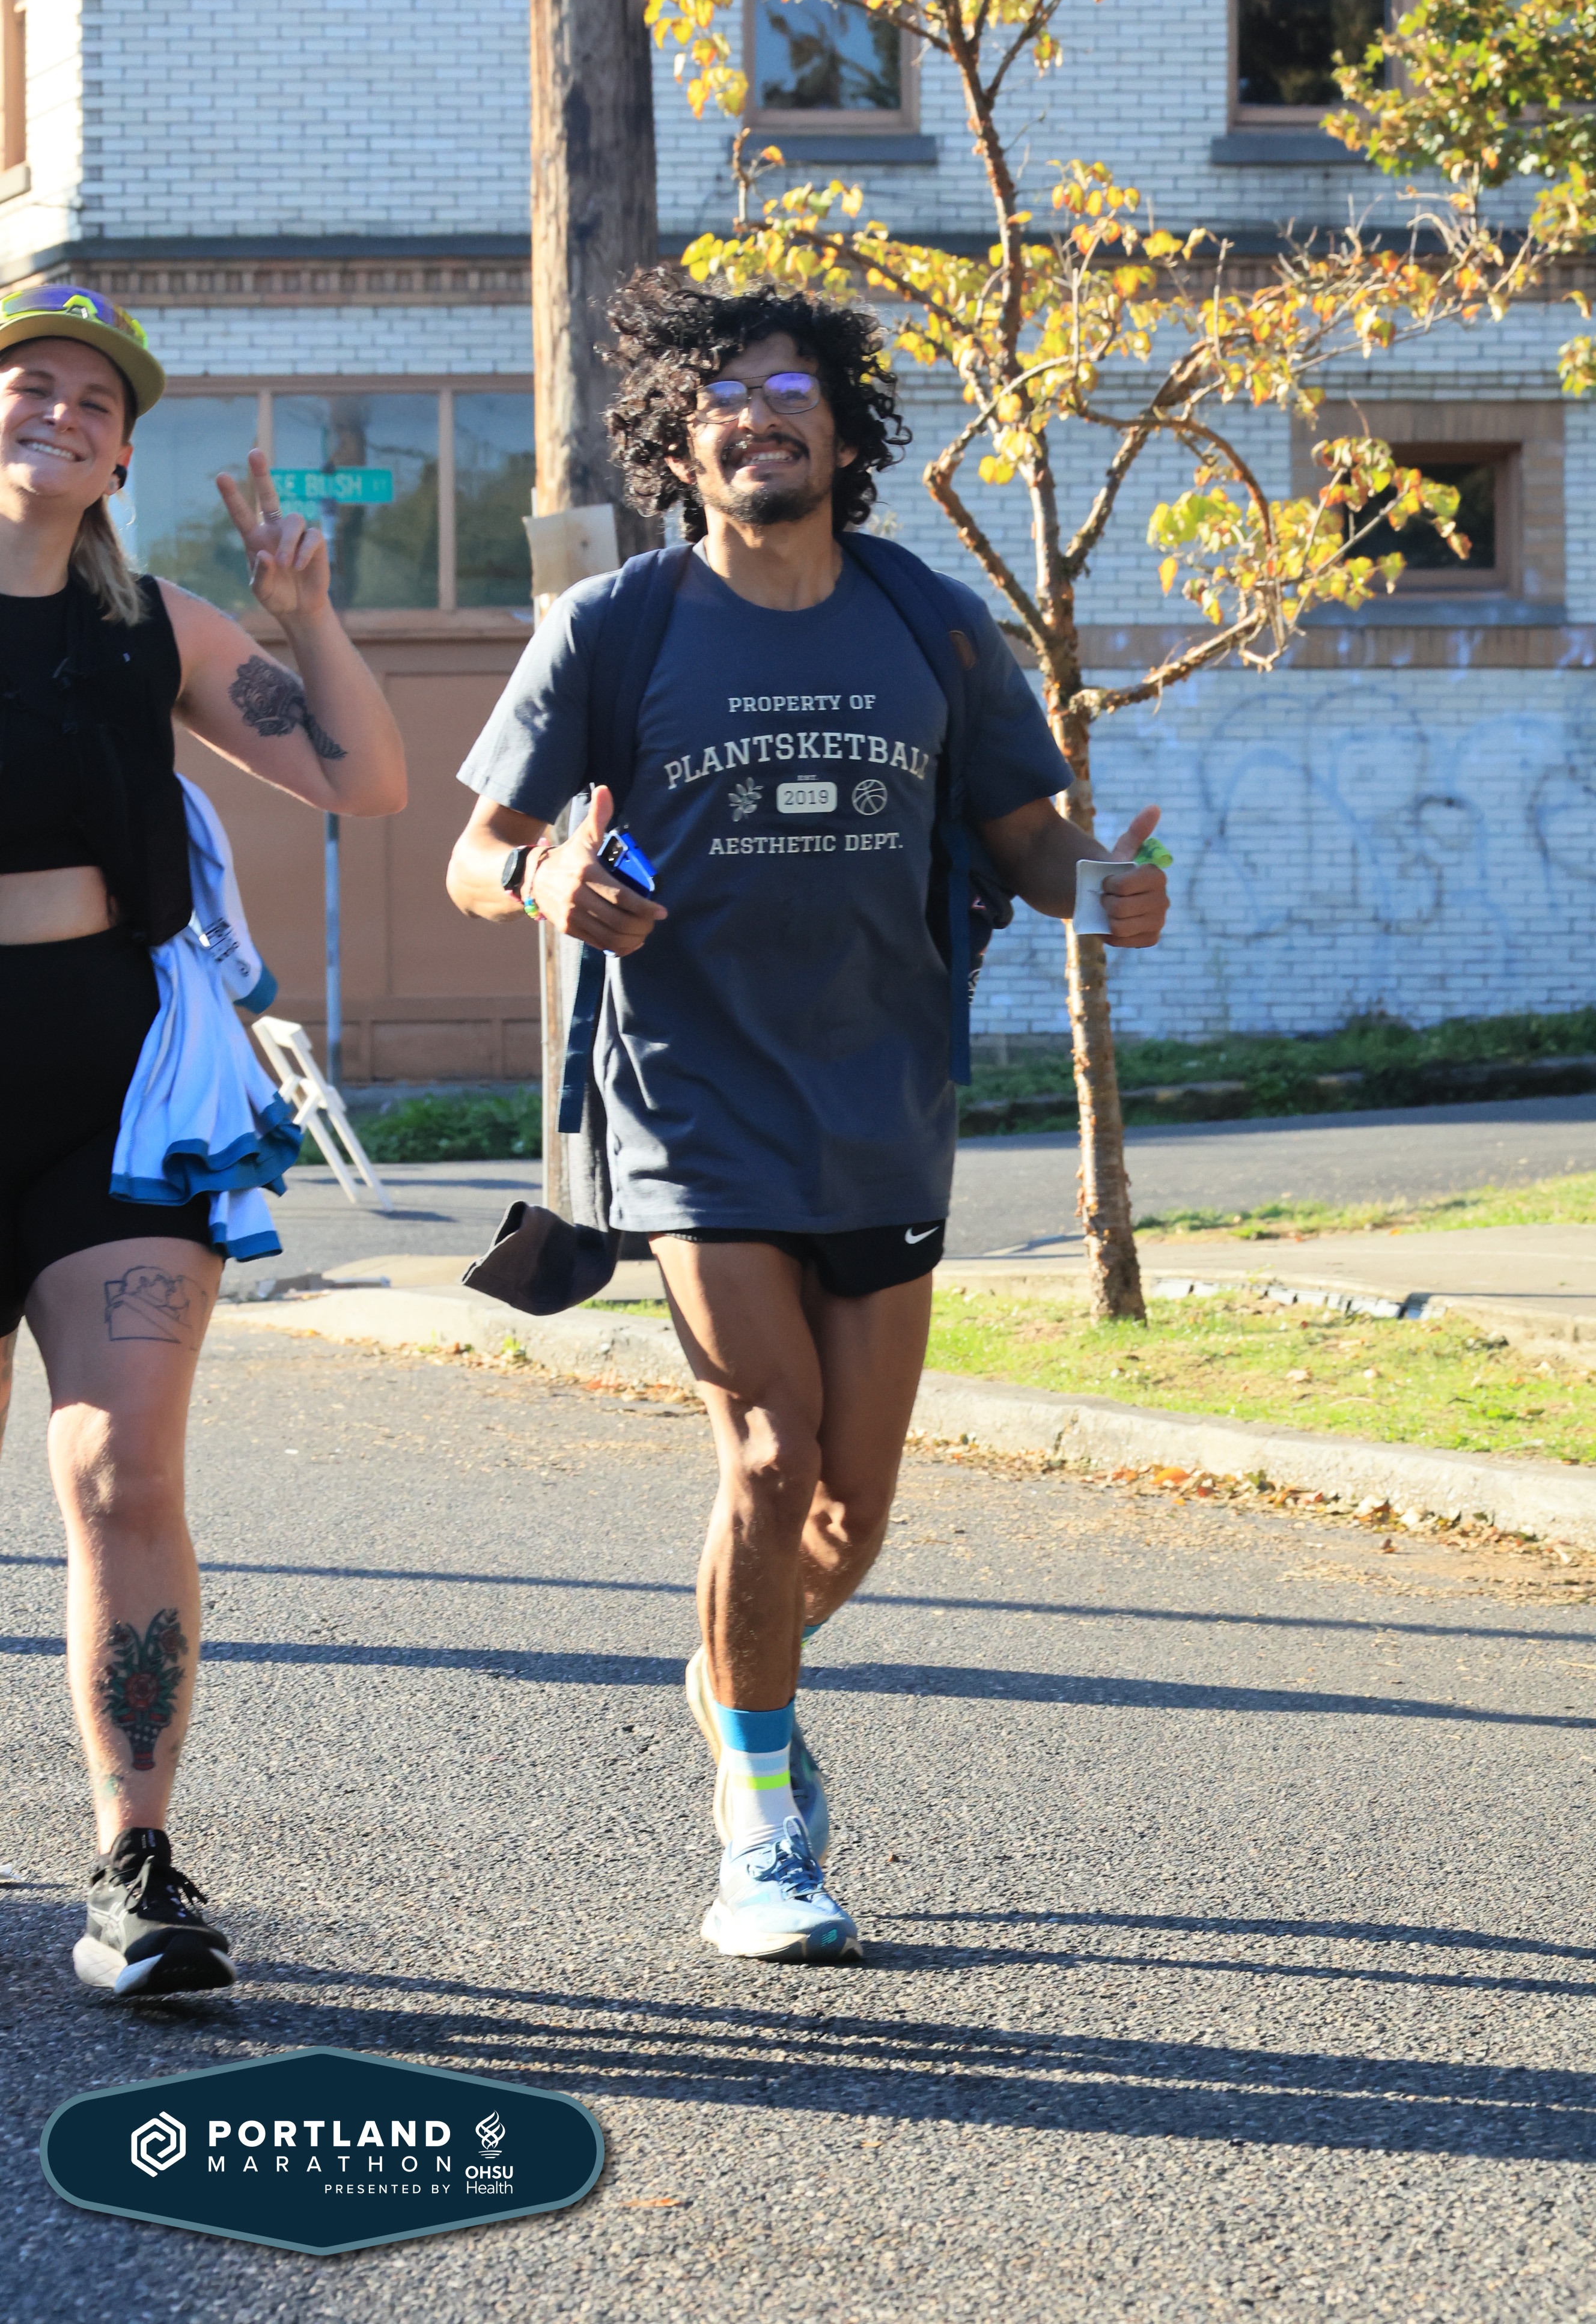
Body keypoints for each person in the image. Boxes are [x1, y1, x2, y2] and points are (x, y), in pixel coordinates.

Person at [447, 270, 1167, 1964]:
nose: (757, 417)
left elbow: (1027, 836)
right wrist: (544, 880)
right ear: (678, 443)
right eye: (722, 397)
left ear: (843, 434)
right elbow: (476, 856)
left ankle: (734, 1670)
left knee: (850, 1513)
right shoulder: (616, 627)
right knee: (768, 1456)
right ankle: (760, 1828)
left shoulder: (931, 623)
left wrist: (1103, 889)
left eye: (790, 392)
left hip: (881, 1103)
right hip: (689, 1103)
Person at [0, 286, 407, 1994]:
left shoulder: (150, 625)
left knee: (124, 1471)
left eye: (97, 401)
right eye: (31, 380)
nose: (62, 410)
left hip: (119, 1085)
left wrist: (306, 617)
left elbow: (364, 782)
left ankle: (133, 1867)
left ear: (119, 458)